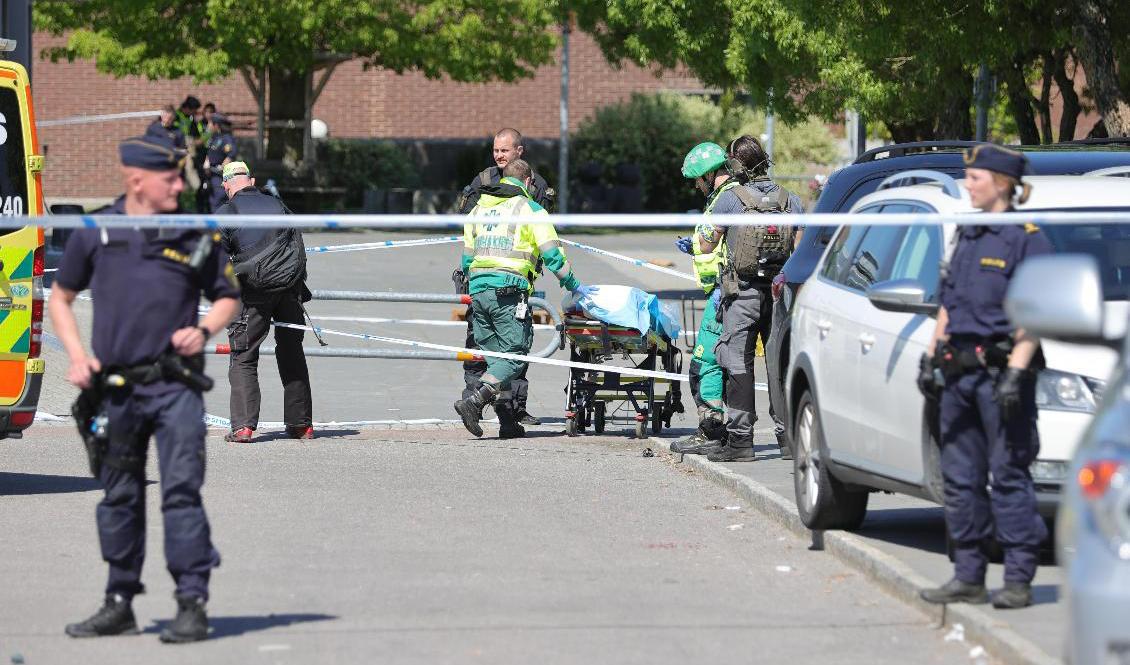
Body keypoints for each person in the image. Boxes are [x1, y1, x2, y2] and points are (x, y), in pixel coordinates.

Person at [49, 134, 240, 643]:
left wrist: (202, 331)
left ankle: (191, 603)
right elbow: (61, 298)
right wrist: (76, 356)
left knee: (180, 493)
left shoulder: (194, 232)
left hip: (175, 387)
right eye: (171, 177)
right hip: (115, 391)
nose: (182, 184)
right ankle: (119, 601)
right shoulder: (96, 231)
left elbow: (228, 298)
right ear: (137, 180)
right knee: (118, 497)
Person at [918, 144, 1052, 610]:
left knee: (1009, 476)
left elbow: (1034, 312)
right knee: (960, 478)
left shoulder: (1025, 238)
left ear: (1001, 182)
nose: (967, 185)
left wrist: (1017, 371)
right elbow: (948, 302)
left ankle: (1017, 578)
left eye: (975, 177)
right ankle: (968, 575)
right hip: (958, 374)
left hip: (1001, 377)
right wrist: (931, 355)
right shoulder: (968, 232)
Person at [453, 158, 591, 438]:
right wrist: (575, 285)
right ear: (528, 182)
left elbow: (467, 260)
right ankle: (475, 401)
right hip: (508, 292)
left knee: (496, 359)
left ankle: (507, 422)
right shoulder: (531, 210)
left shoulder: (478, 209)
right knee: (514, 356)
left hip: (478, 292)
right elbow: (553, 255)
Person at [686, 137, 801, 462]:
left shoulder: (729, 201)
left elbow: (707, 245)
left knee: (738, 364)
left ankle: (740, 442)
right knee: (779, 366)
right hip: (780, 295)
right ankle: (789, 442)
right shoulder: (790, 199)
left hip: (743, 293)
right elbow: (801, 249)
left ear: (736, 165)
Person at [456, 128, 553, 426]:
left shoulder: (536, 185)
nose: (499, 155)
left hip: (518, 281)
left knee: (514, 351)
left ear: (519, 151)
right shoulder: (482, 182)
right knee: (483, 346)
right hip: (485, 278)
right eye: (496, 150)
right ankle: (475, 401)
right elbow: (470, 225)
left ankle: (512, 413)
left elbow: (541, 228)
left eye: (505, 150)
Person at [215, 161, 314, 443]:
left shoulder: (226, 212)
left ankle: (244, 427)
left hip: (253, 294)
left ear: (225, 185)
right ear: (252, 180)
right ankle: (301, 425)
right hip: (290, 288)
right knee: (292, 351)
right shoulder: (278, 204)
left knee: (244, 355)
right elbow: (297, 244)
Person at [669, 211, 727, 455]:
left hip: (724, 295)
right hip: (752, 294)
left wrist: (696, 245)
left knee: (705, 366)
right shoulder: (783, 200)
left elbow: (711, 243)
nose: (695, 186)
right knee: (740, 368)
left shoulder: (727, 200)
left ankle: (711, 432)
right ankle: (778, 440)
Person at [203, 113, 238, 212]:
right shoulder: (213, 138)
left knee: (218, 201)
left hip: (220, 176)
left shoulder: (226, 138)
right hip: (211, 175)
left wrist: (223, 166)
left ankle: (219, 226)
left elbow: (231, 153)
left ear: (216, 125)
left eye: (210, 123)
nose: (208, 126)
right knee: (211, 201)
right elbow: (210, 153)